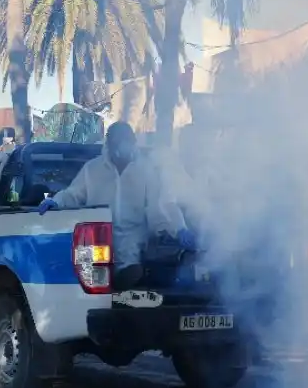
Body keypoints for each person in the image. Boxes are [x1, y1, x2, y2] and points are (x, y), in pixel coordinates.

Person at [39, 121, 196, 290]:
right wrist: (55, 201)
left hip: (134, 237)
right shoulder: (92, 169)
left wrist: (177, 228)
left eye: (127, 141)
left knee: (131, 263)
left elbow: (159, 206)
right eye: (119, 142)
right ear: (110, 144)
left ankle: (126, 281)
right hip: (98, 238)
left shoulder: (146, 170)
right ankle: (113, 285)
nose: (124, 147)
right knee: (99, 267)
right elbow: (73, 194)